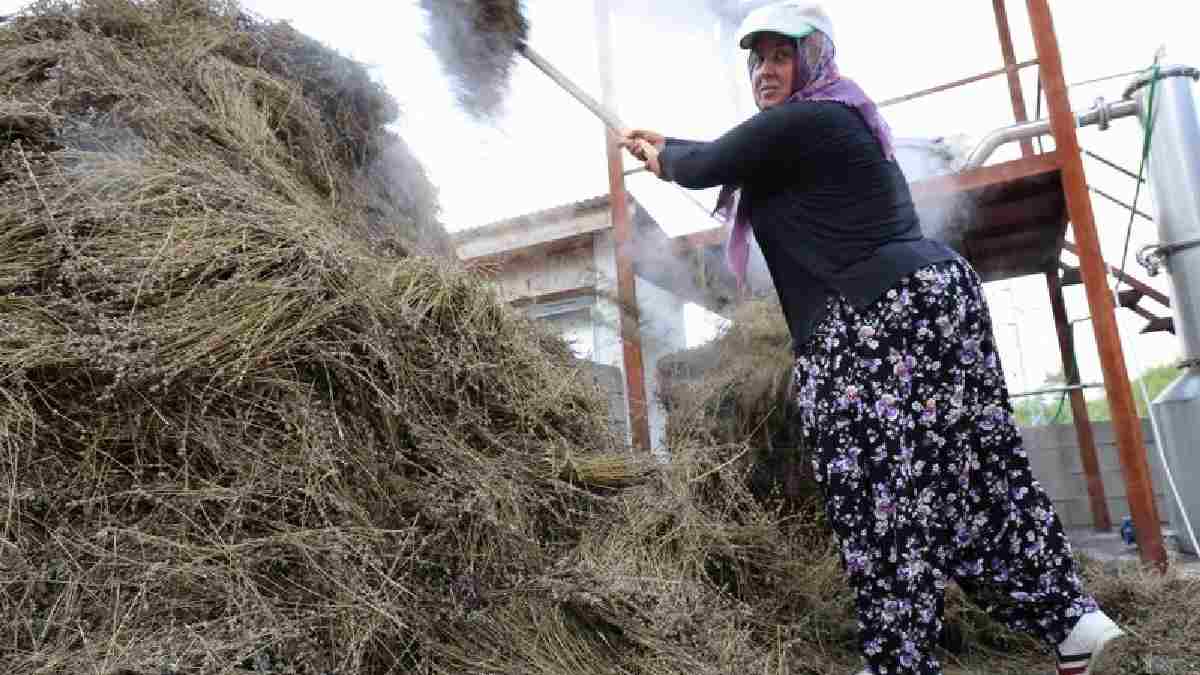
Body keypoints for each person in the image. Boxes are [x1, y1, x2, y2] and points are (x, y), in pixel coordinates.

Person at [621, 3, 1125, 674]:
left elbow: (712, 159)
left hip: (873, 323)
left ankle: (900, 661)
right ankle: (1074, 624)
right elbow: (723, 153)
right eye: (757, 58)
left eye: (781, 55)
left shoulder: (811, 117)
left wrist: (668, 157)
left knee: (877, 497)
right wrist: (672, 147)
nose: (765, 70)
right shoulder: (829, 120)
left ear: (814, 59)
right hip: (932, 305)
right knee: (976, 478)